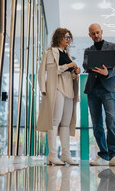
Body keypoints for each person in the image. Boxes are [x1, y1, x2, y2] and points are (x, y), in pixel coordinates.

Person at [83, 23, 115, 167]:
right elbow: (85, 65)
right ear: (89, 35)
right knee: (97, 124)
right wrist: (90, 66)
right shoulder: (88, 50)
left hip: (108, 89)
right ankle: (103, 154)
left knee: (111, 120)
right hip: (92, 90)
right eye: (93, 34)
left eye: (97, 32)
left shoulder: (113, 47)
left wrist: (108, 73)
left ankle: (114, 155)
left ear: (101, 31)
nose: (96, 35)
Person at [37, 28, 80, 165]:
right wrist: (43, 90)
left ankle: (66, 155)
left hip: (69, 89)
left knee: (66, 123)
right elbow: (47, 72)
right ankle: (52, 154)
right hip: (56, 88)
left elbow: (69, 72)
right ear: (59, 37)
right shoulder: (49, 53)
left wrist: (75, 71)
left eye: (69, 37)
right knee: (54, 121)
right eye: (66, 36)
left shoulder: (67, 54)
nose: (68, 39)